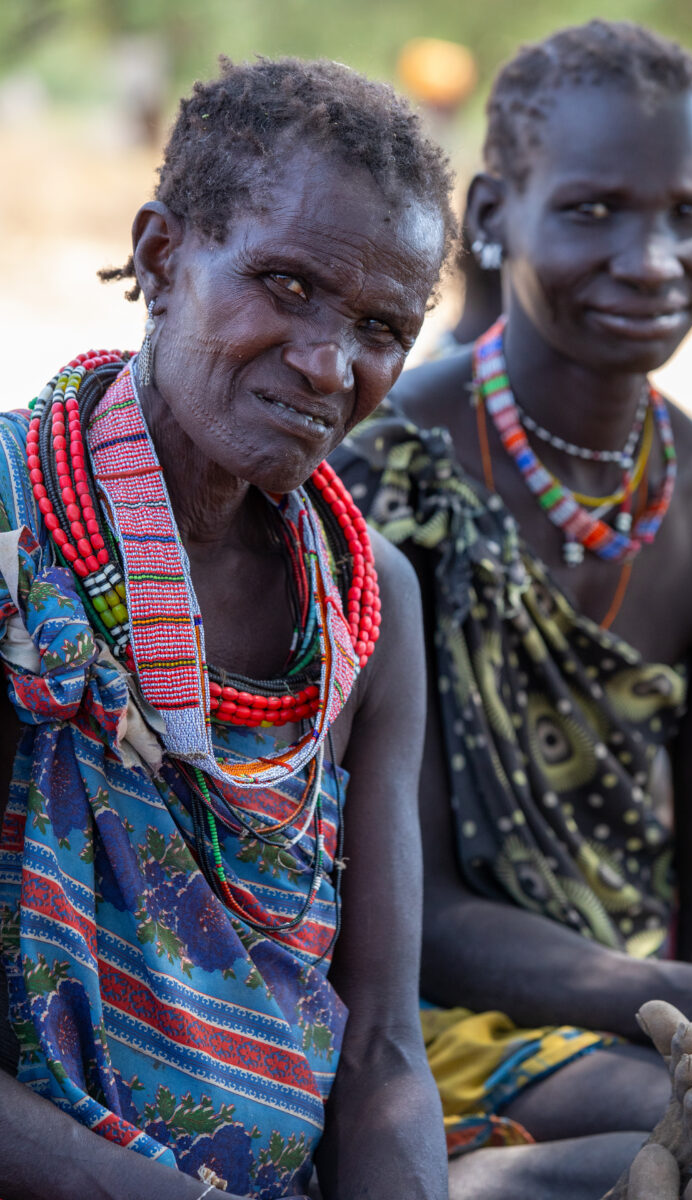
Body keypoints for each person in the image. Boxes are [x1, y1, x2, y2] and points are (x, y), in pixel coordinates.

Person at [334, 20, 692, 1198]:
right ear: (490, 214)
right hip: (412, 1011)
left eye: (688, 212)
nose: (650, 259)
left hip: (652, 1008)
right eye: (593, 210)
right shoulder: (387, 481)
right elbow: (418, 914)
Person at [0, 56, 456, 1200]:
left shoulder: (368, 605)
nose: (326, 363)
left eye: (379, 326)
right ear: (161, 258)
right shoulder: (15, 536)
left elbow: (381, 1053)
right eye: (287, 286)